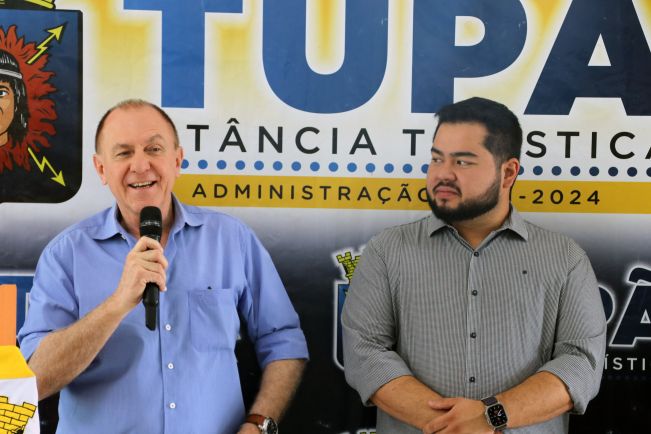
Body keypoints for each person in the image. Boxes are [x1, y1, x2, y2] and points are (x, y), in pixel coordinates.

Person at [18, 99, 308, 434]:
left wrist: (259, 423)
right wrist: (117, 304)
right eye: (124, 153)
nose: (141, 165)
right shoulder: (66, 255)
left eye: (154, 149)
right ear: (101, 169)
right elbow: (35, 379)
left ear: (177, 160)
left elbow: (284, 340)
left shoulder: (231, 239)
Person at [341, 97, 606, 433]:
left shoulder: (565, 259)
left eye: (463, 162)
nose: (442, 174)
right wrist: (454, 426)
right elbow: (366, 352)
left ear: (508, 172)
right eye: (437, 159)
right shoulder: (387, 251)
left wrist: (491, 416)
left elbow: (581, 363)